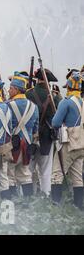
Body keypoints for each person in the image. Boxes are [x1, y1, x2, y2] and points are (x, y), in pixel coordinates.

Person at [51, 71, 84, 210]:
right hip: (81, 143)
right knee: (77, 176)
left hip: (69, 143)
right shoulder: (82, 102)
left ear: (69, 87)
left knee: (56, 174)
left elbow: (55, 123)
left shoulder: (66, 102)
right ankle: (79, 206)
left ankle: (55, 206)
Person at [26, 68, 61, 196]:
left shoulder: (28, 94)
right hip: (47, 137)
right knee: (46, 171)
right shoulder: (54, 97)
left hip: (31, 136)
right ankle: (45, 196)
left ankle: (28, 197)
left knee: (28, 169)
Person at [7, 72, 39, 198]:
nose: (9, 91)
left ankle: (13, 203)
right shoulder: (34, 107)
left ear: (16, 89)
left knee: (10, 175)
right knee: (25, 175)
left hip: (12, 145)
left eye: (10, 88)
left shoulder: (8, 105)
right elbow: (35, 128)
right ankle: (28, 204)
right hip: (27, 145)